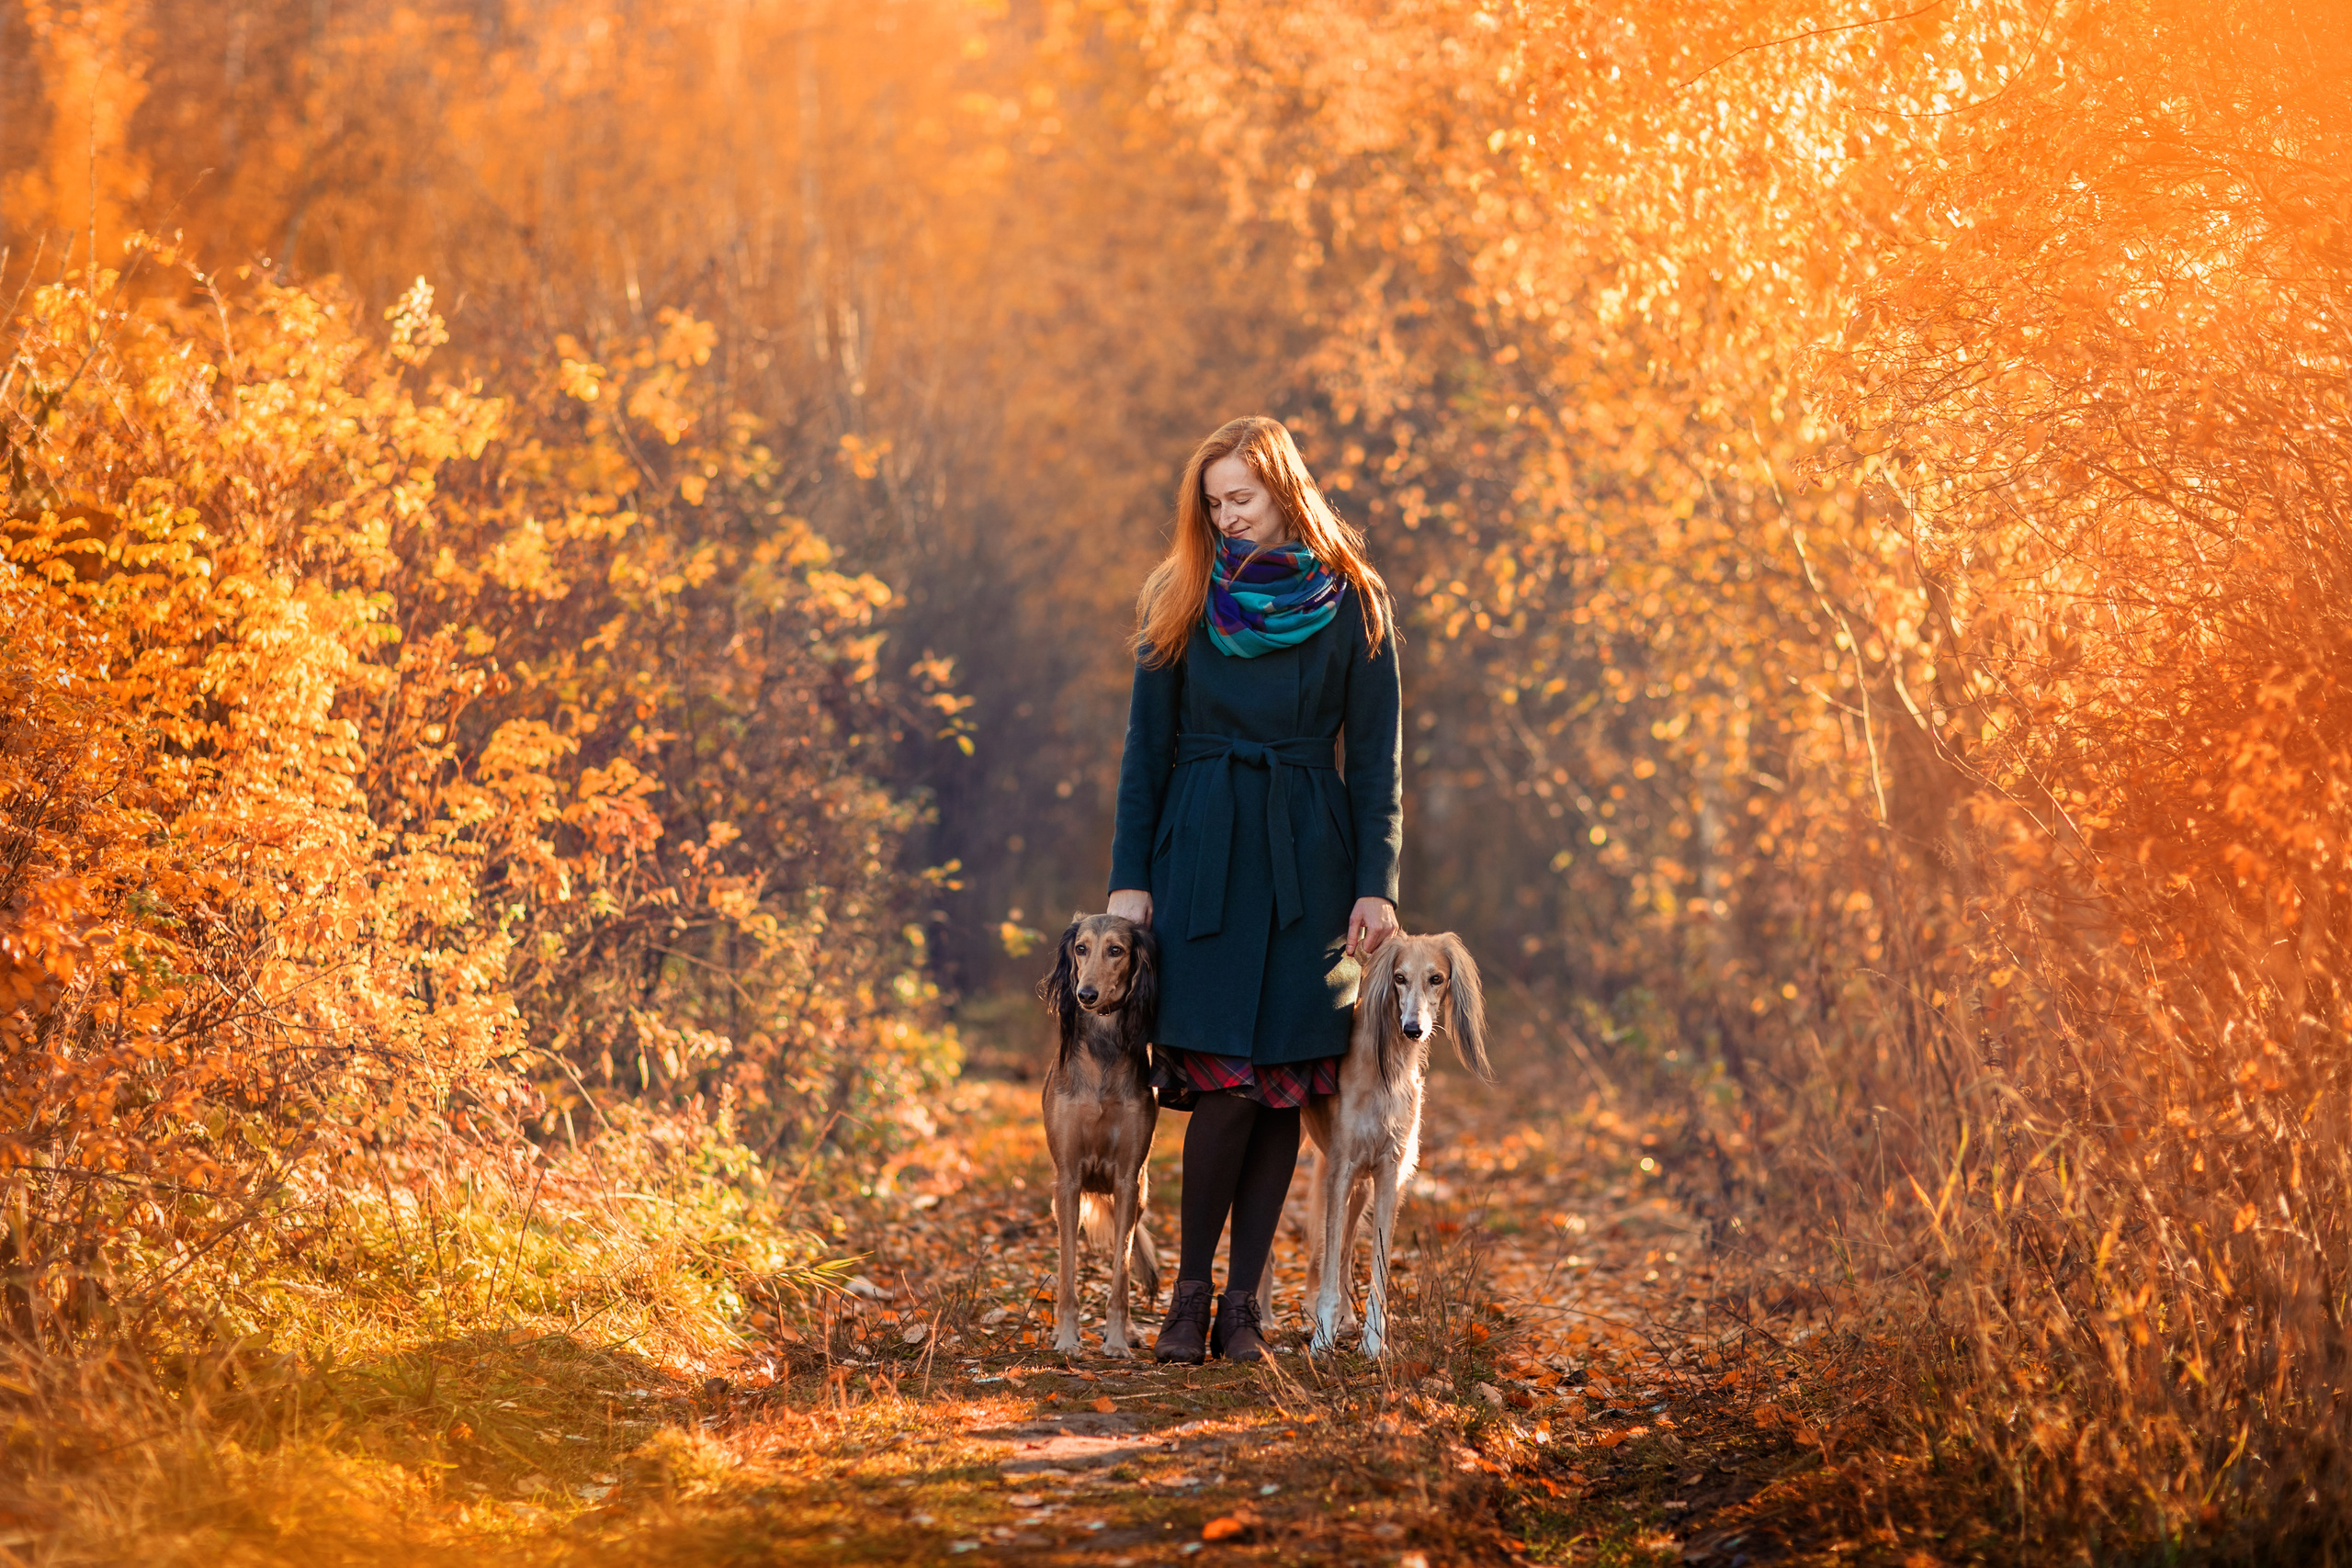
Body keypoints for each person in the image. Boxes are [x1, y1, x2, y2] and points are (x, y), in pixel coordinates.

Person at [1105, 413, 1401, 1365]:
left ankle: (1243, 1308)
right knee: (1223, 1082)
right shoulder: (1181, 593)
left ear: (1283, 488)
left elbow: (1380, 764)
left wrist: (1374, 886)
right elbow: (1144, 752)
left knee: (1279, 1086)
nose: (1227, 517)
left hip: (1309, 859)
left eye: (1242, 497)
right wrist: (1129, 882)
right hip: (1202, 851)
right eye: (1214, 502)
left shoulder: (1356, 602)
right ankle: (1188, 1300)